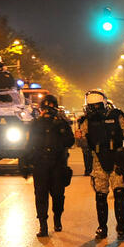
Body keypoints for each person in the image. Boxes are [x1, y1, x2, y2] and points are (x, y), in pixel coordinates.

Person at [76, 89, 124, 240]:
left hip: (117, 159)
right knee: (101, 196)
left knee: (119, 193)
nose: (94, 109)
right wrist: (79, 137)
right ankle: (102, 227)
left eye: (95, 105)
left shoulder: (117, 116)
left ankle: (121, 226)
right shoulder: (87, 121)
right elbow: (82, 143)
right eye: (91, 106)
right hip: (98, 161)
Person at [24, 94, 75, 237]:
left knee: (58, 195)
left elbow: (70, 142)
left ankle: (57, 218)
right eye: (45, 108)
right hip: (40, 164)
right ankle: (43, 225)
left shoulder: (62, 123)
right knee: (40, 195)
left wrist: (62, 128)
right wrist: (25, 163)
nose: (48, 112)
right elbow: (29, 144)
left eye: (50, 108)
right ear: (41, 109)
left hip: (58, 164)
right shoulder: (35, 124)